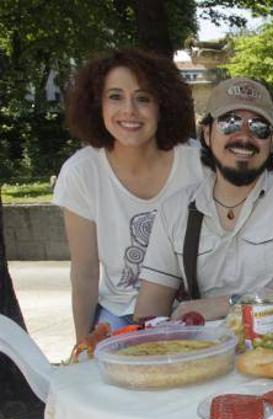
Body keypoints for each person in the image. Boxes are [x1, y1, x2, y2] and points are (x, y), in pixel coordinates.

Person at [134, 78, 273, 320]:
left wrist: (228, 304)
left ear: (271, 141)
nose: (245, 136)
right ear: (207, 133)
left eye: (259, 127)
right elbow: (149, 310)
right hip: (207, 353)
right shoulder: (175, 211)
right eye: (230, 123)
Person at [55, 48, 202, 341]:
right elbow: (84, 272)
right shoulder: (81, 173)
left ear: (163, 105)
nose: (130, 111)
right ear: (97, 105)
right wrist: (83, 343)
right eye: (115, 96)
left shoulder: (199, 164)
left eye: (143, 98)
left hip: (191, 311)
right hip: (119, 313)